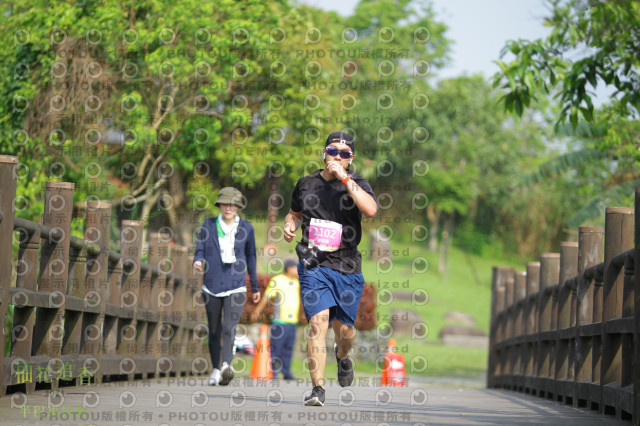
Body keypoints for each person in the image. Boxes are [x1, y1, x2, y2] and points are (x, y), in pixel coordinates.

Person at [283, 131, 377, 406]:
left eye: (344, 153)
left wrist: (346, 179)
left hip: (347, 266)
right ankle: (317, 389)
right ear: (323, 153)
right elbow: (295, 213)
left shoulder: (357, 183)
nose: (337, 157)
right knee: (318, 322)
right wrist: (290, 224)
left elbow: (370, 210)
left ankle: (343, 356)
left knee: (345, 331)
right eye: (333, 151)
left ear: (351, 159)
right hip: (314, 264)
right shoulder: (306, 183)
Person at [193, 187, 260, 386]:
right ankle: (215, 368)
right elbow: (200, 249)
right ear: (220, 205)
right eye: (225, 203)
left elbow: (251, 258)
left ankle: (225, 366)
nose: (229, 208)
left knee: (229, 327)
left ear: (238, 206)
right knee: (213, 329)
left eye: (233, 204)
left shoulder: (247, 228)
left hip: (236, 285)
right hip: (211, 284)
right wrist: (198, 261)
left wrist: (254, 287)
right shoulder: (208, 225)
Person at [250, 258, 300, 380]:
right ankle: (273, 372)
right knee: (276, 347)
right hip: (280, 321)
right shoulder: (277, 280)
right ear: (289, 268)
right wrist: (257, 311)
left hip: (293, 321)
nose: (298, 270)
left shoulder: (297, 282)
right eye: (296, 268)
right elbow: (266, 297)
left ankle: (286, 371)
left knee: (288, 348)